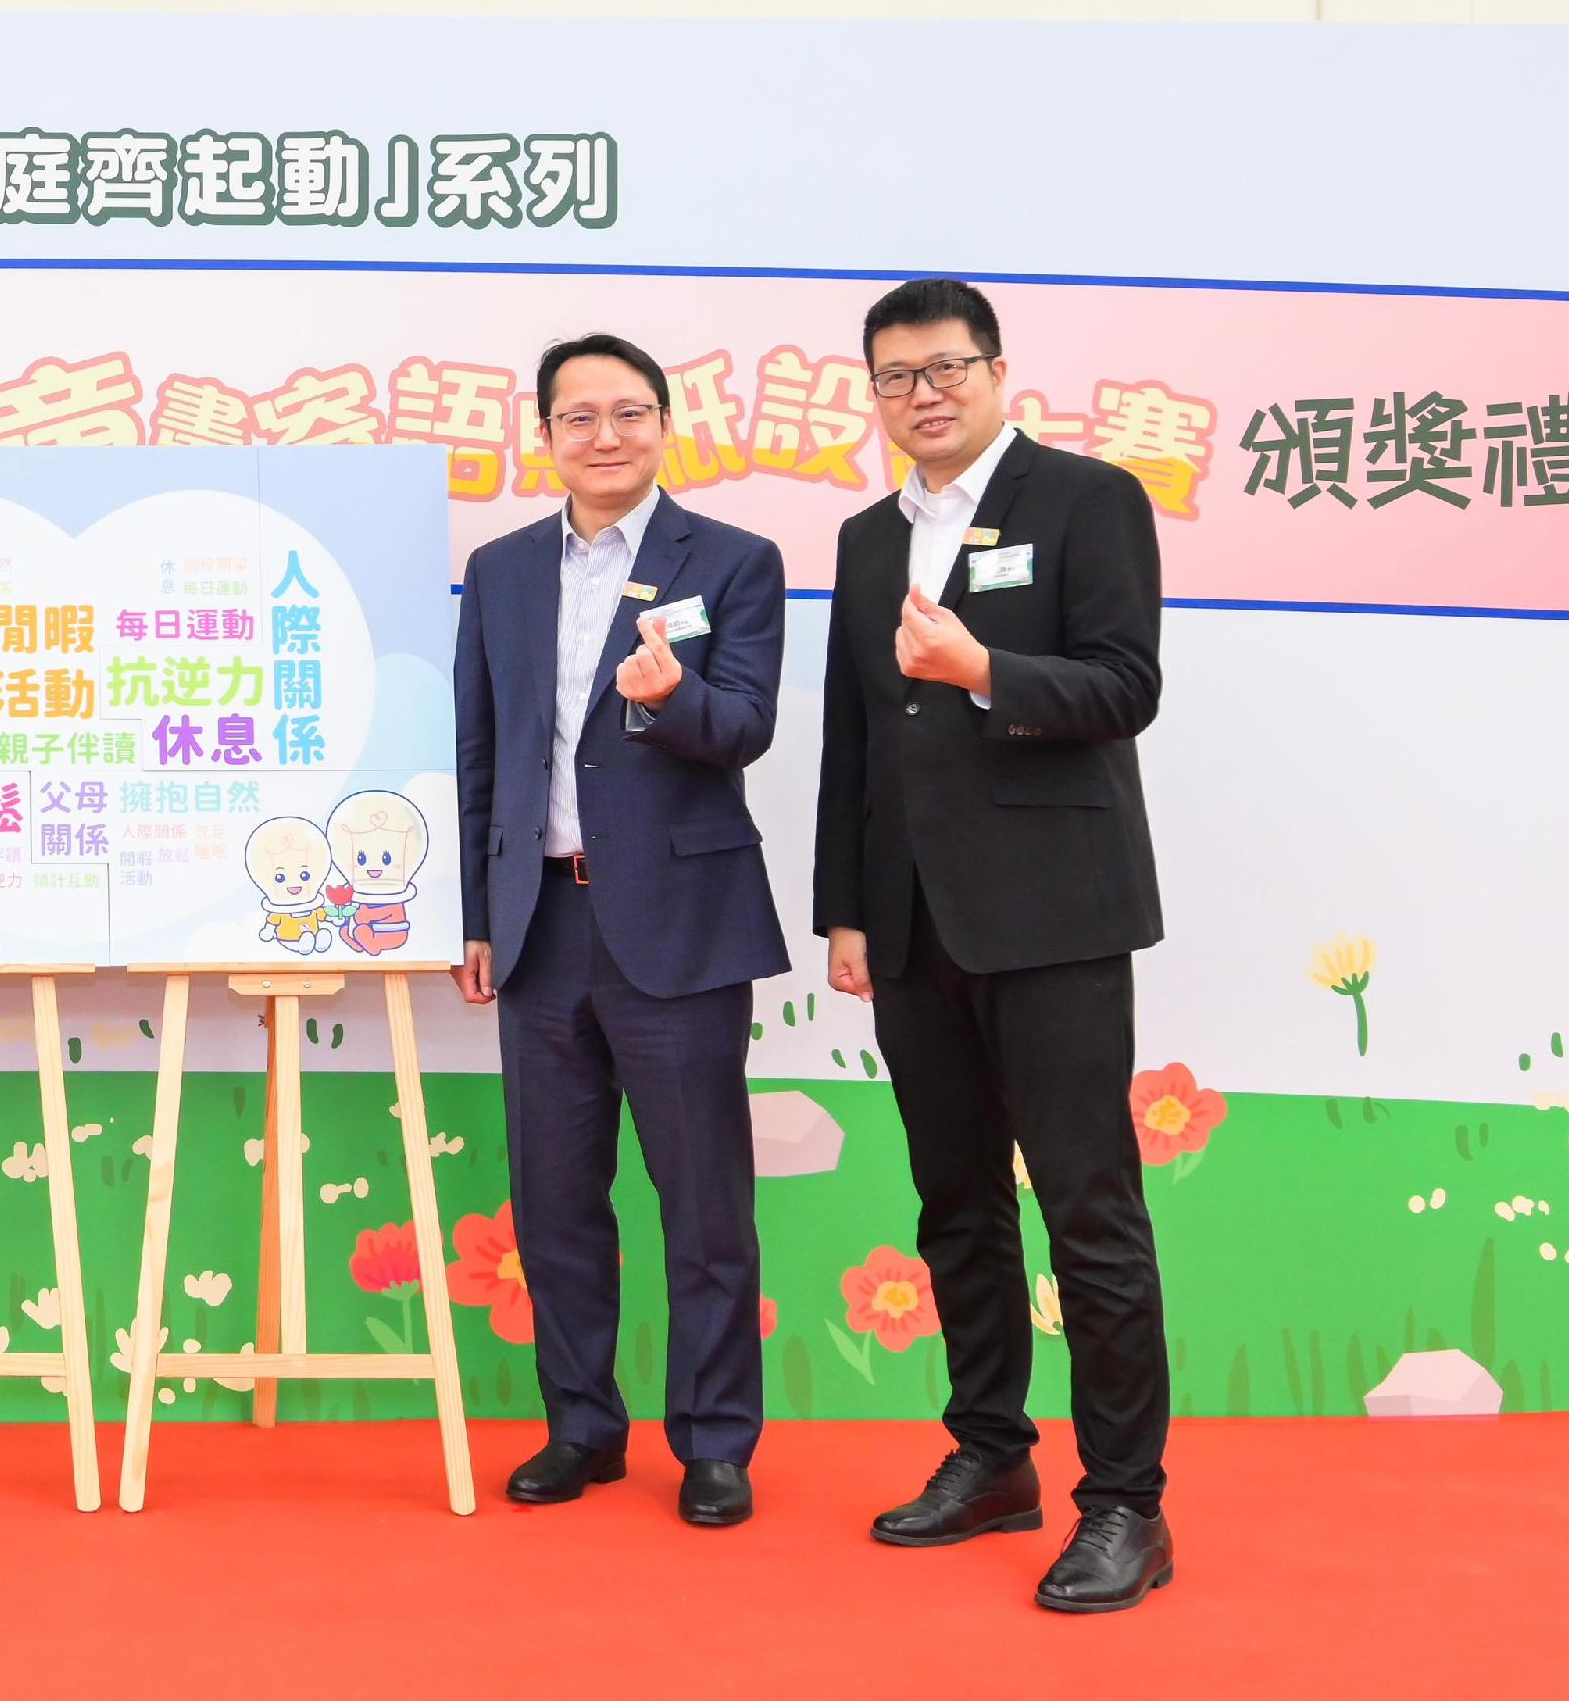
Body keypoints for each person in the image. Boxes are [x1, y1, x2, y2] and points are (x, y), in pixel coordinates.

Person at [813, 277, 1175, 1612]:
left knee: (1089, 1213)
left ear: (997, 370)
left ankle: (1127, 1506)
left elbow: (1127, 684)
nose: (924, 394)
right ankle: (990, 1459)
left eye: (946, 368)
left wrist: (984, 671)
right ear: (875, 393)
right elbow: (856, 736)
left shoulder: (1087, 502)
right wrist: (846, 906)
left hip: (1055, 917)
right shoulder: (864, 538)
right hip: (911, 925)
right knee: (957, 1207)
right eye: (897, 377)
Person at [452, 333, 791, 1529]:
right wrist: (478, 913)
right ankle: (581, 1428)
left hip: (680, 928)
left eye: (630, 411)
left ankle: (711, 1443)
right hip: (540, 924)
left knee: (703, 1203)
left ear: (664, 424)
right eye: (580, 415)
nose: (607, 434)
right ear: (543, 434)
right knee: (554, 1204)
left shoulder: (736, 561)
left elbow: (744, 723)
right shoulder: (496, 572)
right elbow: (480, 750)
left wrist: (674, 699)